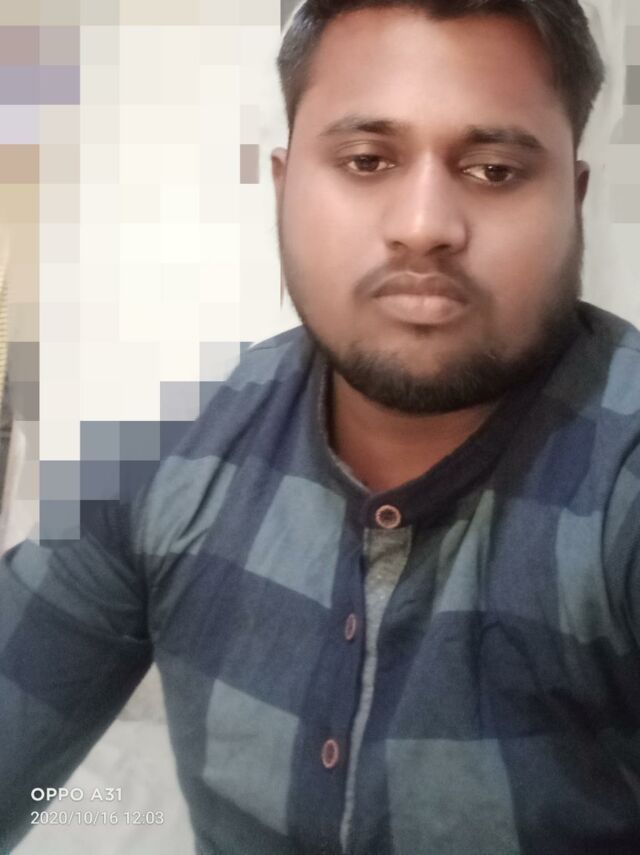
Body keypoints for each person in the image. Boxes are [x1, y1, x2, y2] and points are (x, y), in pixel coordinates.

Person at [2, 1, 639, 852]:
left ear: (574, 200)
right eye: (367, 160)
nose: (424, 227)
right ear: (283, 186)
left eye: (494, 170)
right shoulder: (169, 455)